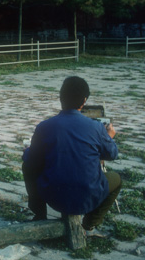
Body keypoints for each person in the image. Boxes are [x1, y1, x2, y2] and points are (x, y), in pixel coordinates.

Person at [22, 76, 121, 234]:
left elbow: (32, 161)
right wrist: (108, 136)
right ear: (84, 101)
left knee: (28, 164)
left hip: (53, 196)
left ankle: (39, 214)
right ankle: (89, 224)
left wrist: (27, 152)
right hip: (88, 197)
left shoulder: (44, 127)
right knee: (117, 179)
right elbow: (112, 154)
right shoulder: (96, 127)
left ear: (60, 98)